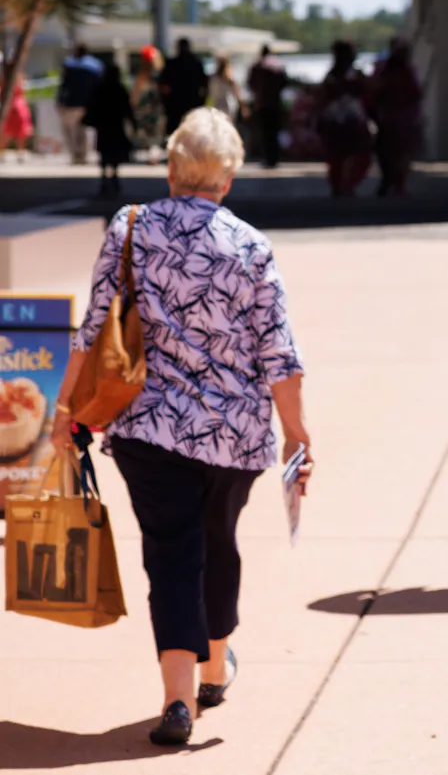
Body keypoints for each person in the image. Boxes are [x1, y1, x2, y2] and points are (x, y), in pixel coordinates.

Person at [49, 108, 311, 747]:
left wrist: (64, 413)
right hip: (235, 434)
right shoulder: (250, 244)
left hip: (149, 427)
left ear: (172, 169)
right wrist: (298, 435)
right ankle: (214, 664)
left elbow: (93, 328)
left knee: (171, 554)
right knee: (217, 544)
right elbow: (278, 354)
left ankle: (177, 700)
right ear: (227, 178)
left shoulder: (131, 227)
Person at [314, 40, 373, 197]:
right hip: (339, 122)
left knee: (352, 156)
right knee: (339, 157)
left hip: (348, 121)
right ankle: (341, 185)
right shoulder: (334, 77)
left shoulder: (351, 75)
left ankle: (345, 185)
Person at [368, 39, 424, 197]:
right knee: (390, 154)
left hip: (401, 120)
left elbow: (416, 94)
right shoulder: (386, 71)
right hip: (390, 120)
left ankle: (398, 183)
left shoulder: (406, 71)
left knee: (400, 154)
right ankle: (391, 181)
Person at [84, 58, 134, 194]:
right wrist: (133, 122)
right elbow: (127, 108)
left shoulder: (101, 89)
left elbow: (91, 106)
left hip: (105, 125)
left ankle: (106, 179)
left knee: (105, 153)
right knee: (112, 153)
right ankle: (112, 178)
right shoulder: (117, 89)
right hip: (113, 125)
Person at [56, 41, 102, 164]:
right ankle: (84, 153)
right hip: (89, 103)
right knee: (86, 130)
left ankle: (75, 153)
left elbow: (64, 85)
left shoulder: (69, 65)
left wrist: (60, 101)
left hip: (71, 103)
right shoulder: (96, 66)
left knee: (70, 129)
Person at [246, 45, 288, 167]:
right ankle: (274, 157)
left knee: (265, 133)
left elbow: (250, 84)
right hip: (275, 103)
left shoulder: (257, 66)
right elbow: (284, 83)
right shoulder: (278, 65)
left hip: (262, 104)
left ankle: (268, 157)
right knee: (274, 132)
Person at [158, 37, 208, 133]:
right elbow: (205, 87)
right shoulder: (197, 65)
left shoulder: (171, 64)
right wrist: (201, 103)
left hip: (174, 107)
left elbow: (162, 87)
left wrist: (165, 103)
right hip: (191, 106)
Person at [131, 47, 167, 159]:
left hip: (152, 107)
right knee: (152, 132)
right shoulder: (155, 73)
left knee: (153, 132)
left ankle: (153, 151)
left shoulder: (154, 74)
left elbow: (136, 93)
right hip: (150, 108)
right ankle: (153, 151)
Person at [207, 55, 243, 124]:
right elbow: (237, 94)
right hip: (229, 107)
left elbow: (211, 95)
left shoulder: (214, 78)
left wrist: (209, 107)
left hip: (218, 107)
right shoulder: (230, 78)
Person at [3, 83, 33, 155]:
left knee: (21, 133)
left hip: (20, 110)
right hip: (10, 110)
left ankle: (20, 152)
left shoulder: (20, 87)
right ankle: (2, 152)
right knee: (6, 133)